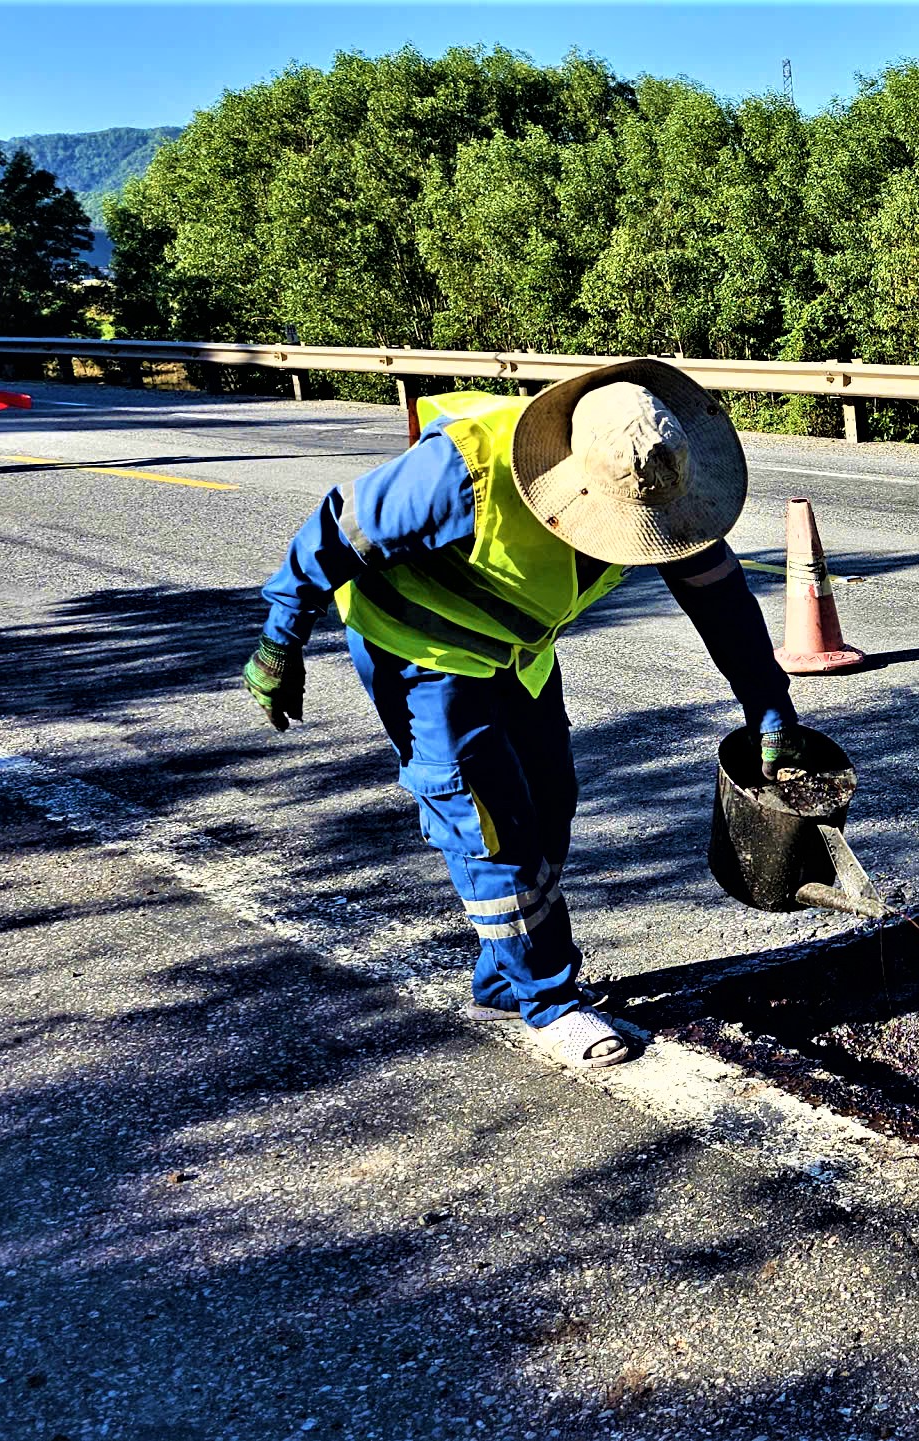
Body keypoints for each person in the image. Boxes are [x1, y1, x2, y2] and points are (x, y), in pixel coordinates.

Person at [243, 359, 806, 1069]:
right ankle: (548, 998)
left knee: (547, 805)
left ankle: (502, 981)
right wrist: (281, 636)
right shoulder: (464, 472)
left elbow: (716, 593)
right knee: (489, 824)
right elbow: (336, 529)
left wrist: (767, 701)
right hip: (421, 652)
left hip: (515, 652)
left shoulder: (658, 476)